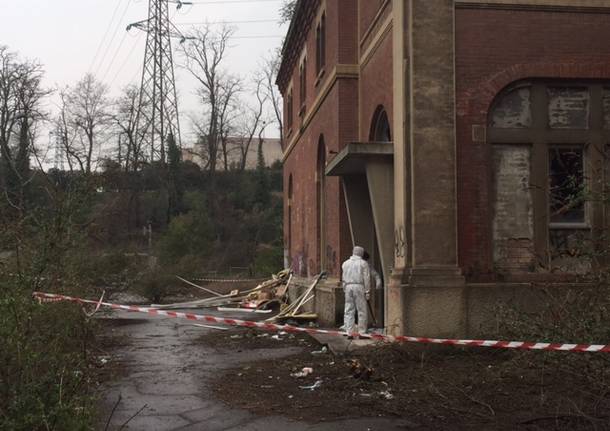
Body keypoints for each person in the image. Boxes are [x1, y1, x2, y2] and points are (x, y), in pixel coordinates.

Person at [341, 246, 370, 337]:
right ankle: (362, 332)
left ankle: (349, 331)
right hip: (359, 286)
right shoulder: (363, 263)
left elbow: (343, 277)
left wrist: (344, 288)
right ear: (361, 253)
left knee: (349, 309)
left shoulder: (345, 263)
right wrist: (367, 291)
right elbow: (366, 278)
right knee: (361, 310)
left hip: (348, 286)